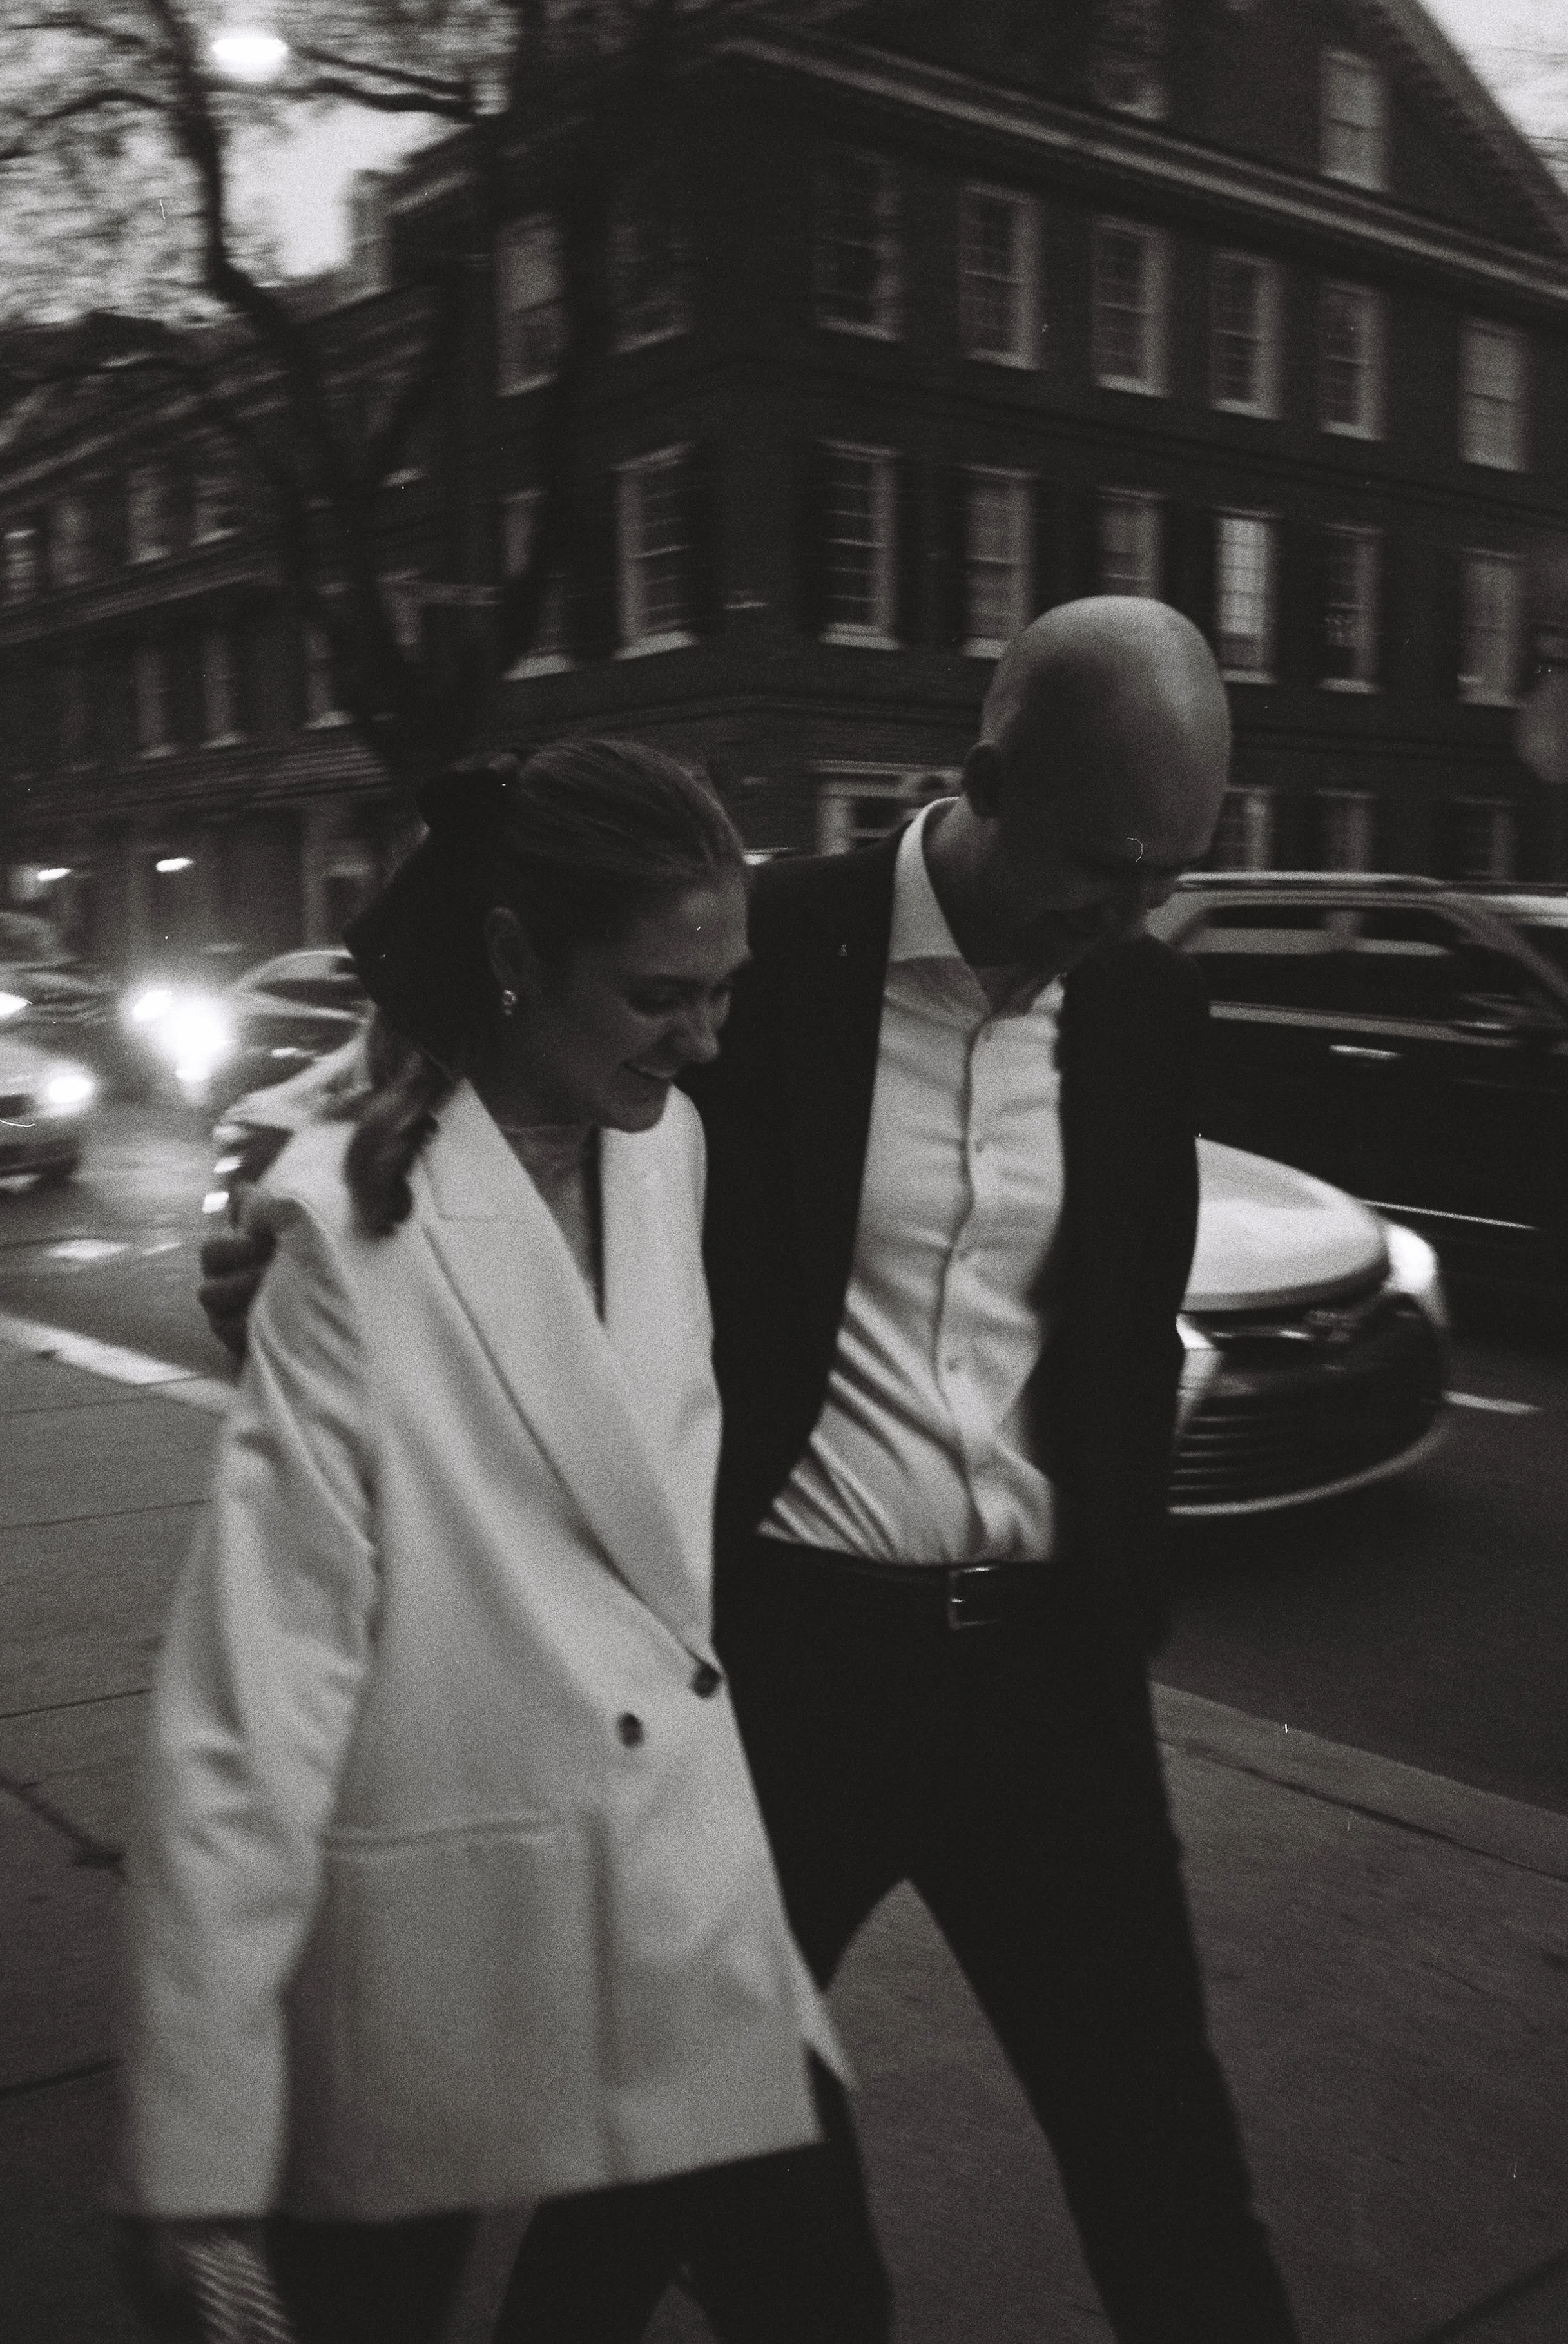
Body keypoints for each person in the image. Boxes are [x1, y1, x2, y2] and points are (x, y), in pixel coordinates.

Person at [200, 600, 1301, 2342]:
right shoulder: (759, 948)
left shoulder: (1144, 1001)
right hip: (782, 1668)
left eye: (1172, 869)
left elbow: (1109, 1322)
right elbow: (482, 1075)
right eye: (1107, 860)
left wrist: (1114, 1602)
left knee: (1165, 2150)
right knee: (644, 2166)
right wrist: (296, 1232)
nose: (1131, 907)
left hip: (1045, 1679)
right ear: (987, 781)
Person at [121, 739, 890, 2344]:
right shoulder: (351, 1237)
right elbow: (253, 1702)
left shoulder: (658, 1145)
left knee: (827, 2301)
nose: (705, 1039)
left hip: (672, 1884)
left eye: (725, 989)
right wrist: (195, 2148)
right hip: (457, 1921)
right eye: (661, 995)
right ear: (516, 960)